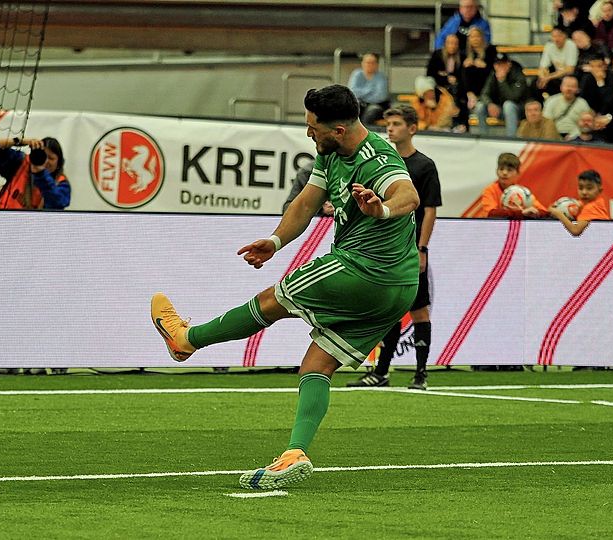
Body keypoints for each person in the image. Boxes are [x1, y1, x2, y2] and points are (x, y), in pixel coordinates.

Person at [150, 84, 421, 490]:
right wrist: (275, 241)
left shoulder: (377, 158)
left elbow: (408, 195)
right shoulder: (330, 154)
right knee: (317, 365)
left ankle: (187, 340)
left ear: (339, 130)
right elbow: (306, 203)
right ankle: (295, 452)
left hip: (363, 270)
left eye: (313, 127)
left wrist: (381, 208)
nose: (308, 133)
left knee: (272, 300)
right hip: (399, 287)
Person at [347, 105, 441, 390]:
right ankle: (381, 372)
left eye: (397, 123)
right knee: (388, 309)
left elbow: (429, 210)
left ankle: (421, 374)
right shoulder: (382, 161)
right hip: (385, 249)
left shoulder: (424, 165)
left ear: (412, 128)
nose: (390, 128)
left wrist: (422, 248)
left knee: (419, 309)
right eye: (388, 124)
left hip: (410, 250)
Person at [0, 136, 71, 209]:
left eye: (51, 158)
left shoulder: (61, 184)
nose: (45, 161)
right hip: (0, 219)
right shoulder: (21, 163)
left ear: (59, 163)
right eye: (43, 156)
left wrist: (40, 173)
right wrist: (23, 141)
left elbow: (57, 202)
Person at [474, 52, 529, 136]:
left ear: (509, 64)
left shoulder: (518, 75)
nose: (500, 67)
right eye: (497, 64)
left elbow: (513, 97)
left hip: (518, 110)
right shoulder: (493, 75)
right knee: (480, 106)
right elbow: (484, 94)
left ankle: (511, 138)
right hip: (498, 109)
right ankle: (483, 137)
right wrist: (490, 104)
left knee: (508, 105)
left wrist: (502, 81)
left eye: (502, 64)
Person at [477, 153, 546, 218]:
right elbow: (491, 213)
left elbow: (544, 212)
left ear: (517, 173)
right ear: (496, 171)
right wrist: (521, 213)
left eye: (509, 170)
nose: (504, 173)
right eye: (501, 169)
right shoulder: (490, 190)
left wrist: (536, 213)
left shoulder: (523, 192)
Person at [548, 169, 609, 236]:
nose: (584, 192)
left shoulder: (592, 207)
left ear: (600, 190)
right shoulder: (594, 203)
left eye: (589, 188)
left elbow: (575, 231)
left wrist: (559, 214)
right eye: (580, 188)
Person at [348, 53, 391, 127]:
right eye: (367, 62)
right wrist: (370, 90)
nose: (369, 65)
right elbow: (352, 92)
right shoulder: (357, 74)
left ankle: (365, 131)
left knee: (372, 111)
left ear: (377, 64)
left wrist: (362, 96)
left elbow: (381, 96)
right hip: (359, 103)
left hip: (377, 105)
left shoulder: (381, 77)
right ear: (362, 63)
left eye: (372, 63)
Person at [538, 28, 580, 96]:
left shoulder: (571, 45)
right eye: (554, 36)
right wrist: (542, 77)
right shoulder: (549, 45)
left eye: (559, 36)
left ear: (565, 36)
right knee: (536, 84)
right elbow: (543, 66)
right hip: (556, 76)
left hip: (570, 76)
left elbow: (570, 70)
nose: (556, 39)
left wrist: (548, 77)